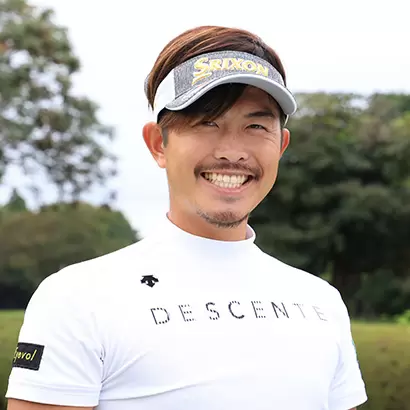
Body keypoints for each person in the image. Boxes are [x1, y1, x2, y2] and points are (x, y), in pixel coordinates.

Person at [6, 25, 367, 410]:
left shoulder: (321, 302)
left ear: (281, 145)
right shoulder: (77, 298)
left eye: (256, 126)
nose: (232, 151)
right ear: (158, 144)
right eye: (207, 122)